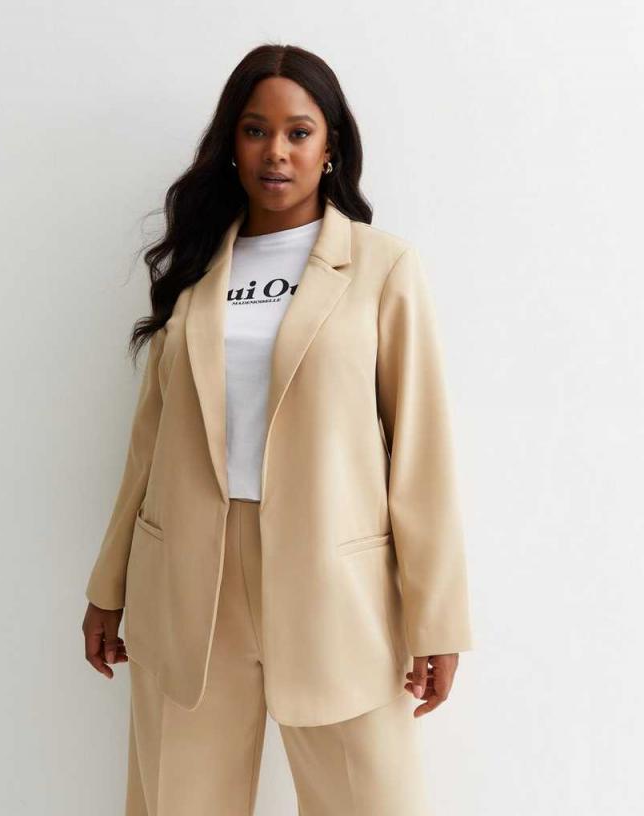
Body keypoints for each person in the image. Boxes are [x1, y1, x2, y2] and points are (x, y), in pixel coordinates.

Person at [82, 42, 475, 816]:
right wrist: (108, 587)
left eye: (299, 132)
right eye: (256, 130)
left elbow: (421, 454)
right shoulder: (196, 272)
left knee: (372, 801)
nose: (277, 152)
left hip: (335, 582)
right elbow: (148, 448)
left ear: (331, 147)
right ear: (231, 143)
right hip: (189, 578)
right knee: (181, 800)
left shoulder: (383, 269)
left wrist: (438, 619)